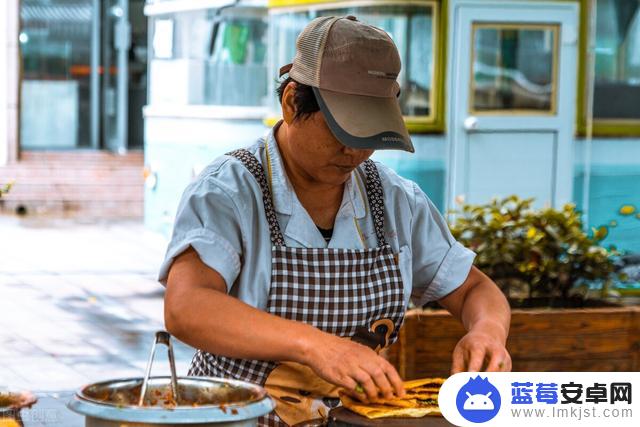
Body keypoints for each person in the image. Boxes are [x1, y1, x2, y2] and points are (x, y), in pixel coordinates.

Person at [159, 15, 511, 426]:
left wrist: (486, 331)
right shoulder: (229, 191)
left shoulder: (395, 199)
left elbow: (474, 290)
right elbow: (186, 306)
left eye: (369, 137)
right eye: (343, 131)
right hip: (232, 417)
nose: (355, 152)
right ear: (292, 103)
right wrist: (316, 347)